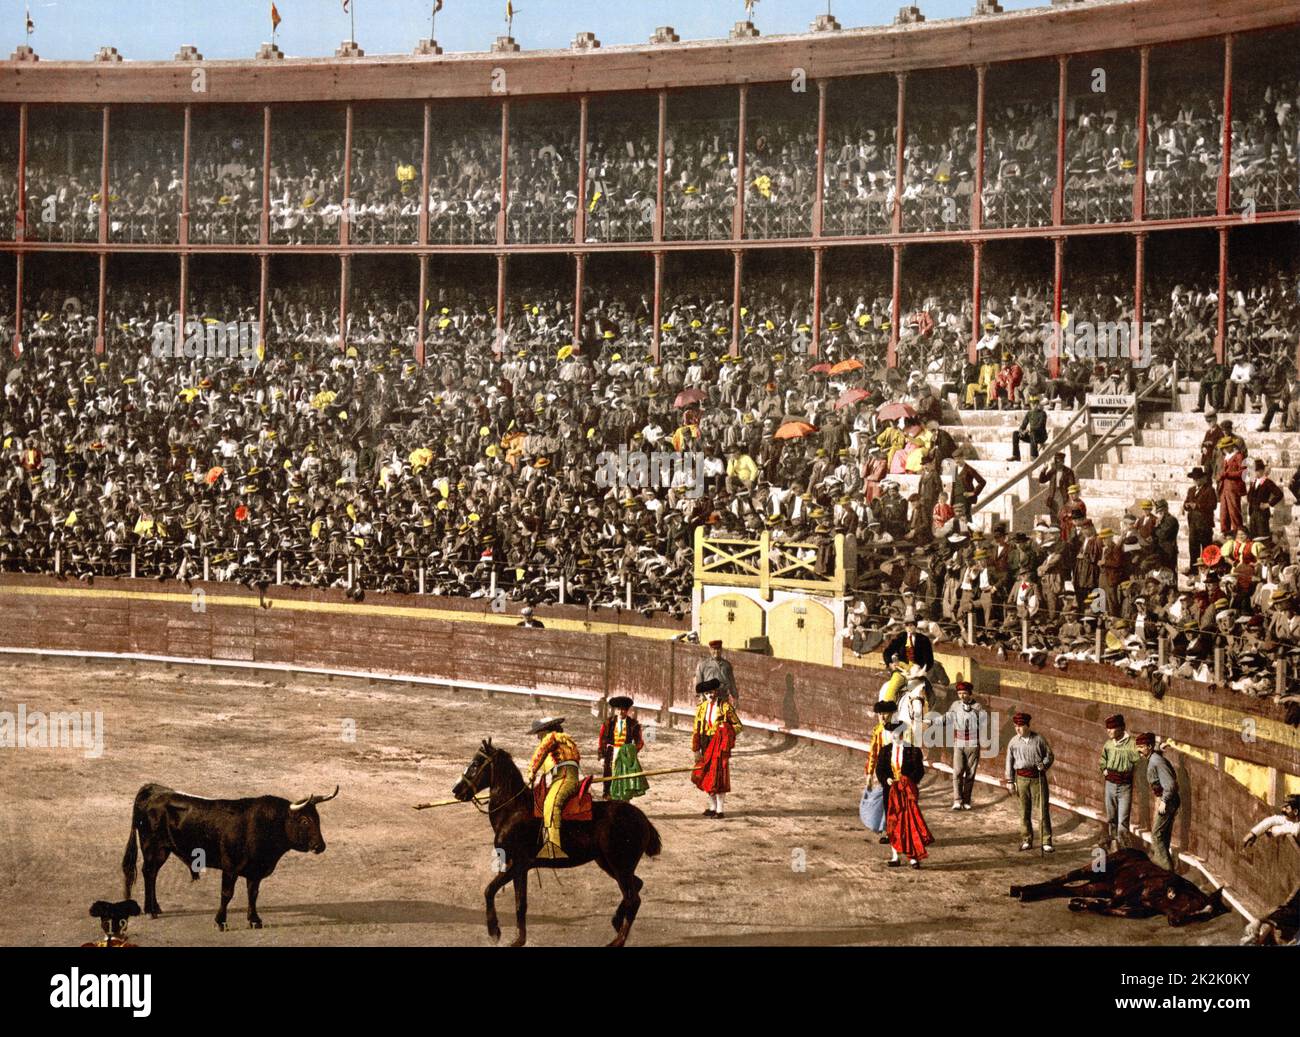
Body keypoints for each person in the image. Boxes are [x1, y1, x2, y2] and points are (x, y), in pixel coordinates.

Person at [876, 720, 932, 868]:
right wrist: (886, 779)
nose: (895, 736)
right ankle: (895, 856)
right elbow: (880, 770)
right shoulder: (885, 750)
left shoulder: (913, 750)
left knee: (909, 822)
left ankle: (913, 858)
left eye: (898, 733)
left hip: (907, 791)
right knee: (893, 823)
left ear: (902, 733)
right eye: (893, 733)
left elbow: (919, 770)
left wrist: (907, 781)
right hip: (890, 791)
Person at [524, 717, 581, 860]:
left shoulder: (551, 737)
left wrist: (532, 771)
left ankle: (554, 847)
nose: (538, 737)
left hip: (565, 777)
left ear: (545, 731)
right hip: (563, 776)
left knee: (551, 803)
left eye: (539, 734)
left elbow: (540, 753)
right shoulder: (561, 741)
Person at [1004, 711, 1054, 852]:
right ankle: (1027, 839)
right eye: (1015, 726)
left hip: (1038, 779)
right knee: (1024, 811)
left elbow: (1049, 755)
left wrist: (1044, 764)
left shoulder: (1039, 739)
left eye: (1020, 726)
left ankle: (1046, 841)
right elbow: (1009, 762)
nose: (1018, 729)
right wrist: (1010, 781)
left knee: (1042, 811)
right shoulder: (1013, 742)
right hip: (1021, 779)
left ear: (1027, 725)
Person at [691, 678, 742, 819]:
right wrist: (696, 749)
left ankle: (720, 810)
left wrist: (725, 731)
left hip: (719, 746)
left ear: (716, 691)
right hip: (705, 743)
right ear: (704, 695)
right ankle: (712, 807)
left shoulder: (725, 707)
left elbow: (738, 726)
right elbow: (696, 730)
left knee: (718, 777)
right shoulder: (701, 708)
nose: (710, 695)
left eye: (712, 692)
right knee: (707, 776)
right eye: (707, 693)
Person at [1137, 732, 1179, 870]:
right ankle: (1164, 866)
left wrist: (1164, 801)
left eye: (1142, 747)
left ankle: (1166, 870)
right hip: (1168, 799)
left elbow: (1170, 784)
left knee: (1156, 835)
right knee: (1163, 835)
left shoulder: (1156, 761)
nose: (1139, 750)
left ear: (1149, 747)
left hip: (1167, 800)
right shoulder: (1154, 757)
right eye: (1138, 747)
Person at [1100, 713, 1140, 851]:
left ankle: (1123, 850)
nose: (1108, 731)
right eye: (1107, 728)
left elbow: (1145, 749)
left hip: (1125, 786)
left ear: (1121, 728)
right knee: (1111, 818)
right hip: (1110, 785)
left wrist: (1158, 747)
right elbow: (1102, 760)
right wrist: (1104, 769)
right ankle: (1113, 849)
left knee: (1123, 821)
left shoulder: (1132, 744)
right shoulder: (1108, 744)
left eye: (1112, 728)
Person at [597, 696, 647, 802]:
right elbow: (602, 740)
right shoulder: (608, 723)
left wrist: (631, 751)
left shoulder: (633, 724)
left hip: (625, 756)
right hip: (611, 754)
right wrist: (601, 756)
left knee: (624, 780)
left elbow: (639, 742)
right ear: (615, 710)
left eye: (623, 709)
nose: (621, 712)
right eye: (618, 709)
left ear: (627, 710)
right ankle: (610, 803)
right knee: (610, 778)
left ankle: (624, 803)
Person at [860, 700, 896, 843]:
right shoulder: (878, 731)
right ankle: (889, 831)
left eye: (885, 713)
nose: (882, 716)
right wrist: (869, 774)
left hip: (897, 770)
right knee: (886, 801)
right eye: (879, 714)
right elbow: (873, 753)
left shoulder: (899, 729)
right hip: (883, 771)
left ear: (892, 714)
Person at [946, 678, 984, 810]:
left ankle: (966, 800)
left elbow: (984, 723)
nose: (962, 696)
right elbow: (948, 718)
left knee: (970, 773)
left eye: (964, 693)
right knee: (957, 771)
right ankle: (957, 800)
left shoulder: (977, 707)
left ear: (970, 694)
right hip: (959, 742)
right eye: (959, 693)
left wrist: (971, 712)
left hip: (973, 743)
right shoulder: (955, 705)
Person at [1246, 458, 1283, 540]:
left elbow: (1279, 494)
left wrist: (1268, 504)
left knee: (1263, 537)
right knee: (1252, 537)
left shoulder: (1268, 482)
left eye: (1256, 471)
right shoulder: (1253, 482)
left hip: (1262, 515)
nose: (1254, 473)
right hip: (1252, 513)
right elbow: (1249, 495)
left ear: (1262, 470)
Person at [693, 639, 738, 703]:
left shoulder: (727, 665)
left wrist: (735, 697)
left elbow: (732, 683)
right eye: (714, 649)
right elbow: (698, 683)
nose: (716, 651)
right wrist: (701, 696)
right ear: (710, 650)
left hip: (723, 698)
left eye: (718, 649)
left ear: (721, 650)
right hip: (708, 698)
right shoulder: (703, 664)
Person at [1010, 395, 1047, 462]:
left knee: (1033, 433)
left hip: (1041, 436)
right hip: (1032, 436)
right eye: (1031, 403)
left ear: (1037, 404)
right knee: (1015, 433)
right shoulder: (1029, 413)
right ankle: (1016, 455)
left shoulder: (1042, 413)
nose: (1033, 405)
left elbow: (1040, 426)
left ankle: (1034, 456)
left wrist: (1029, 430)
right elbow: (1023, 425)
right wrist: (1021, 431)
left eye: (1034, 403)